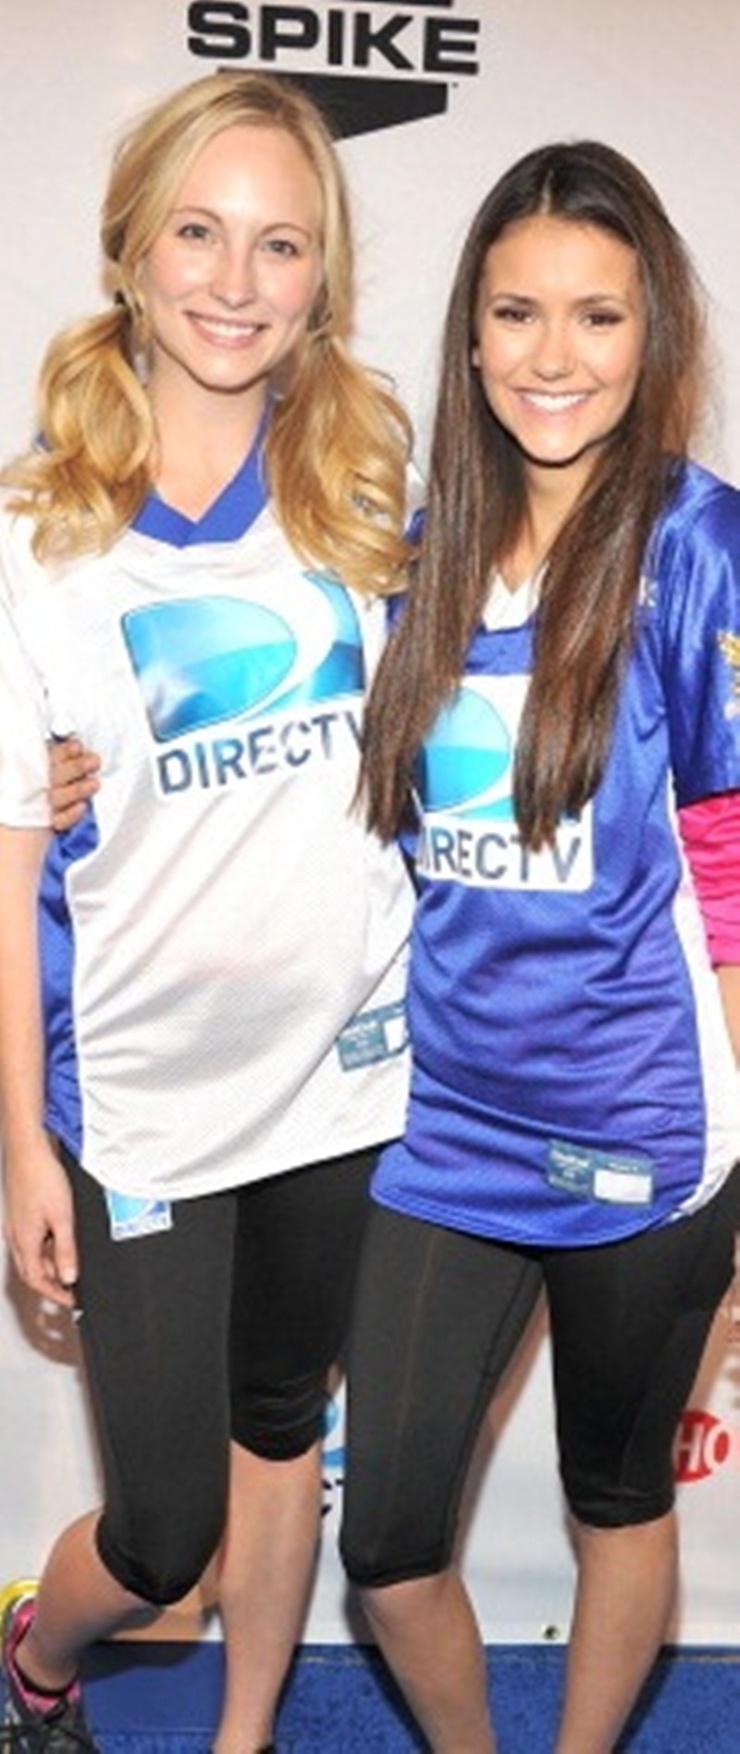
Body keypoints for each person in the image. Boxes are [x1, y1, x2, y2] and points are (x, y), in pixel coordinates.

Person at [0, 69, 415, 1754]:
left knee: (281, 1426)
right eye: (199, 232)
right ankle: (39, 1655)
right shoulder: (37, 537)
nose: (237, 282)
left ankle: (244, 1737)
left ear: (323, 279)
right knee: (163, 1528)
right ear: (131, 251)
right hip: (144, 1098)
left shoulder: (373, 505)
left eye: (281, 244)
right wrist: (24, 1146)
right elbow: (7, 862)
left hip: (343, 1081)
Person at [338, 140, 740, 1754]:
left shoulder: (699, 543)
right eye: (517, 313)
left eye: (598, 315)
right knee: (387, 1544)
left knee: (616, 1494)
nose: (553, 356)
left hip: (647, 1124)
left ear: (653, 334)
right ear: (471, 330)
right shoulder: (427, 545)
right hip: (445, 1124)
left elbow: (734, 865)